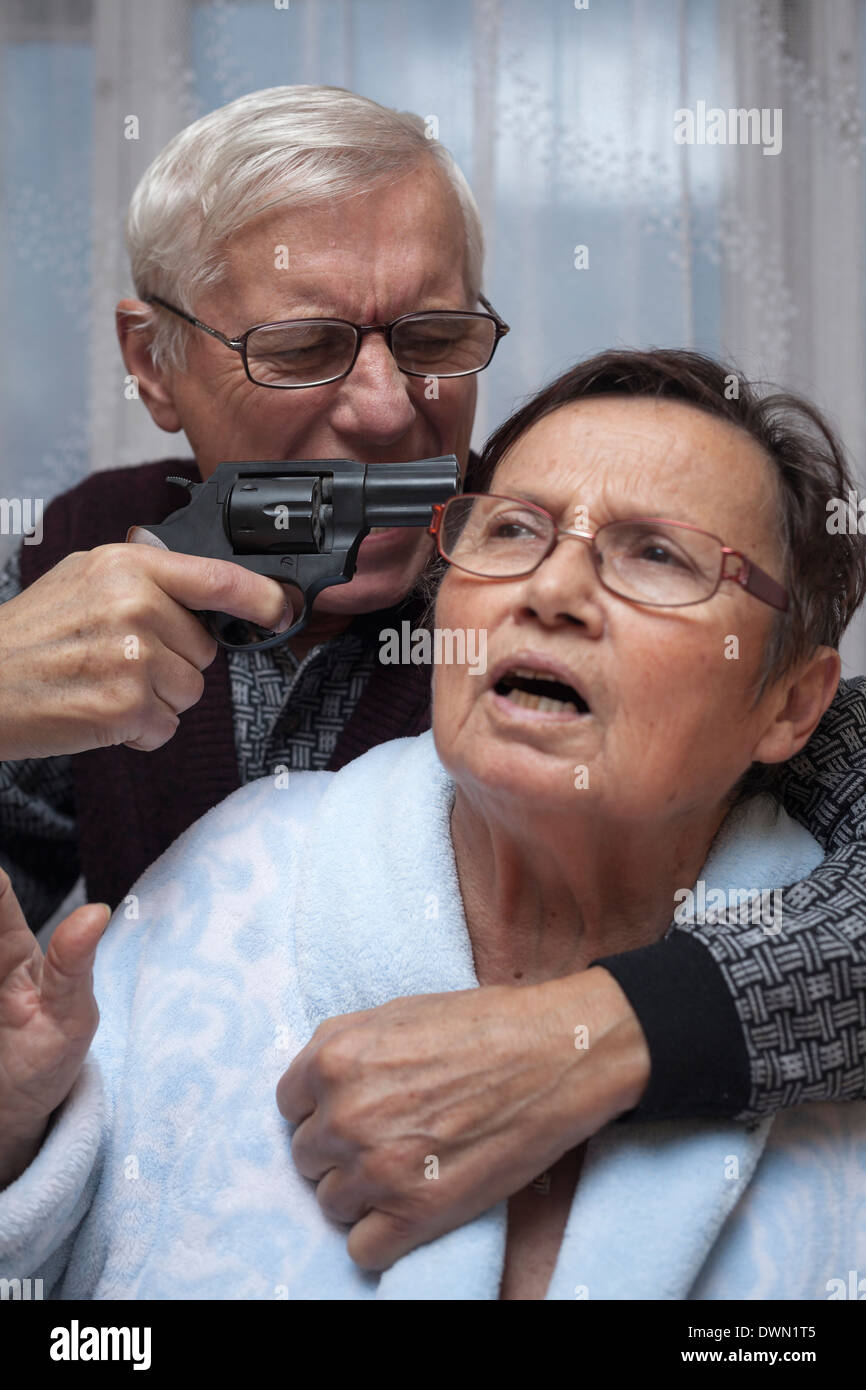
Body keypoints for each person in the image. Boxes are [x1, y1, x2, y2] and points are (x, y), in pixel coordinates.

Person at [1, 87, 866, 1273]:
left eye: (433, 340)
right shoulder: (57, 568)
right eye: (301, 350)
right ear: (153, 363)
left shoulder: (575, 582)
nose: (384, 410)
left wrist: (596, 1036)